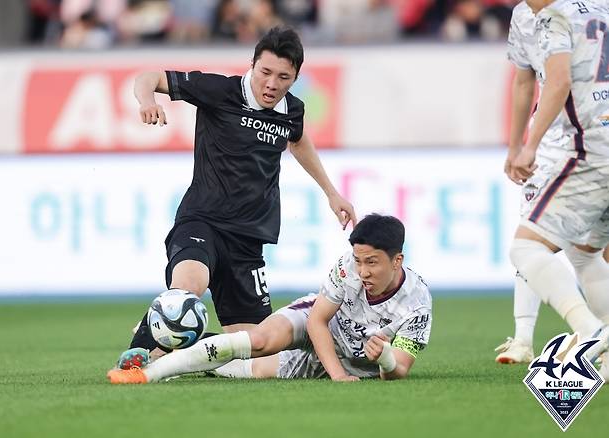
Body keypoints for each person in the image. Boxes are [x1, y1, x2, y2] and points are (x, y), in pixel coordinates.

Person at [116, 26, 357, 369]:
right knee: (187, 286)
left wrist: (332, 194)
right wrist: (147, 101)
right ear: (253, 66)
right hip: (203, 220)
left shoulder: (292, 110)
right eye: (266, 72)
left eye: (283, 77)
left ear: (295, 77)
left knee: (257, 353)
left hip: (248, 240)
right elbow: (148, 76)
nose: (272, 83)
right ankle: (140, 352)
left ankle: (185, 343)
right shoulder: (220, 90)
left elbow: (298, 140)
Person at [107, 214, 432, 383]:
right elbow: (318, 320)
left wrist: (386, 357)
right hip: (319, 323)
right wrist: (337, 376)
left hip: (351, 361)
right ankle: (147, 371)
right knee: (259, 339)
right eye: (358, 260)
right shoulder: (348, 267)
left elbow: (398, 371)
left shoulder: (416, 304)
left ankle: (175, 351)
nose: (362, 270)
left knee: (249, 369)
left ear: (397, 260)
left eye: (371, 262)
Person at [496, 0, 609, 365]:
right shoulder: (599, 9)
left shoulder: (553, 18)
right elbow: (525, 80)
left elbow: (557, 82)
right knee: (586, 252)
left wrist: (527, 146)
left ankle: (591, 332)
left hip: (589, 151)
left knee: (526, 249)